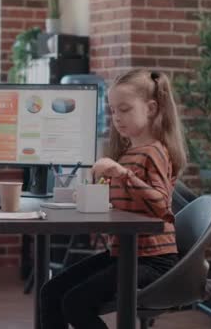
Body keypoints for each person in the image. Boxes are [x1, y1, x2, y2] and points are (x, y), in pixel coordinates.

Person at [39, 69, 188, 329]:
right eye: (113, 110)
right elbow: (128, 203)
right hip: (124, 253)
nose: (116, 118)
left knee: (75, 303)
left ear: (151, 108)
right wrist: (93, 194)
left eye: (125, 109)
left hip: (152, 261)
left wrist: (122, 173)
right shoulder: (130, 152)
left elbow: (161, 205)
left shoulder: (154, 151)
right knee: (51, 292)